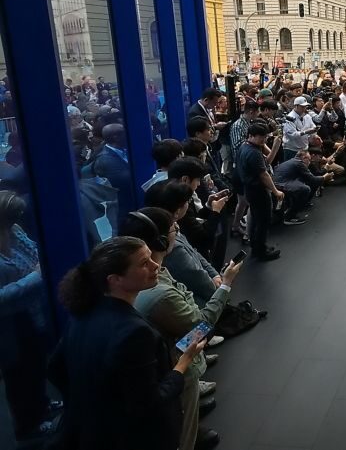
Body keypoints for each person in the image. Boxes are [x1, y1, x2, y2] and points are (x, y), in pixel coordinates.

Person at [49, 237, 205, 450]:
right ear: (115, 280)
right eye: (144, 263)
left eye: (151, 258)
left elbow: (55, 368)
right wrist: (182, 364)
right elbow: (150, 403)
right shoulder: (135, 333)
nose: (155, 265)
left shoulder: (82, 314)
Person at [127, 209, 240, 450]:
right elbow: (200, 326)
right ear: (158, 240)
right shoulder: (160, 291)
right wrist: (226, 286)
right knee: (183, 431)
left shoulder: (154, 275)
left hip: (173, 361)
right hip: (179, 367)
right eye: (173, 230)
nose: (177, 232)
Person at [0, 191, 58, 443]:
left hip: (34, 311)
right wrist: (35, 277)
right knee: (19, 375)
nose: (17, 222)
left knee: (36, 365)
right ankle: (28, 425)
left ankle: (42, 405)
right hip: (10, 322)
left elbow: (35, 251)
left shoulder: (14, 231)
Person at [235, 124, 284, 261]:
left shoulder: (245, 147)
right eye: (261, 138)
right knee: (263, 220)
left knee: (257, 219)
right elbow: (264, 174)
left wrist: (273, 147)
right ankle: (261, 251)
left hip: (249, 188)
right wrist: (275, 191)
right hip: (258, 190)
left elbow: (265, 162)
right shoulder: (253, 152)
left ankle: (258, 246)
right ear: (251, 136)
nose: (263, 140)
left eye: (265, 137)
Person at [273, 150, 333, 224]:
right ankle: (289, 217)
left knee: (305, 182)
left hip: (279, 182)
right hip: (282, 184)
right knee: (305, 189)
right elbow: (313, 180)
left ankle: (297, 205)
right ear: (304, 158)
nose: (309, 162)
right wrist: (324, 178)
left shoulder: (292, 161)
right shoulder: (299, 163)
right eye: (309, 160)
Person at [282, 97, 318, 161]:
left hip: (304, 148)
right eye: (302, 107)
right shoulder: (289, 118)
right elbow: (292, 135)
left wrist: (314, 135)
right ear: (296, 106)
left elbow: (313, 127)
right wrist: (306, 132)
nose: (304, 108)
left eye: (305, 106)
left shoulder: (307, 116)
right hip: (292, 149)